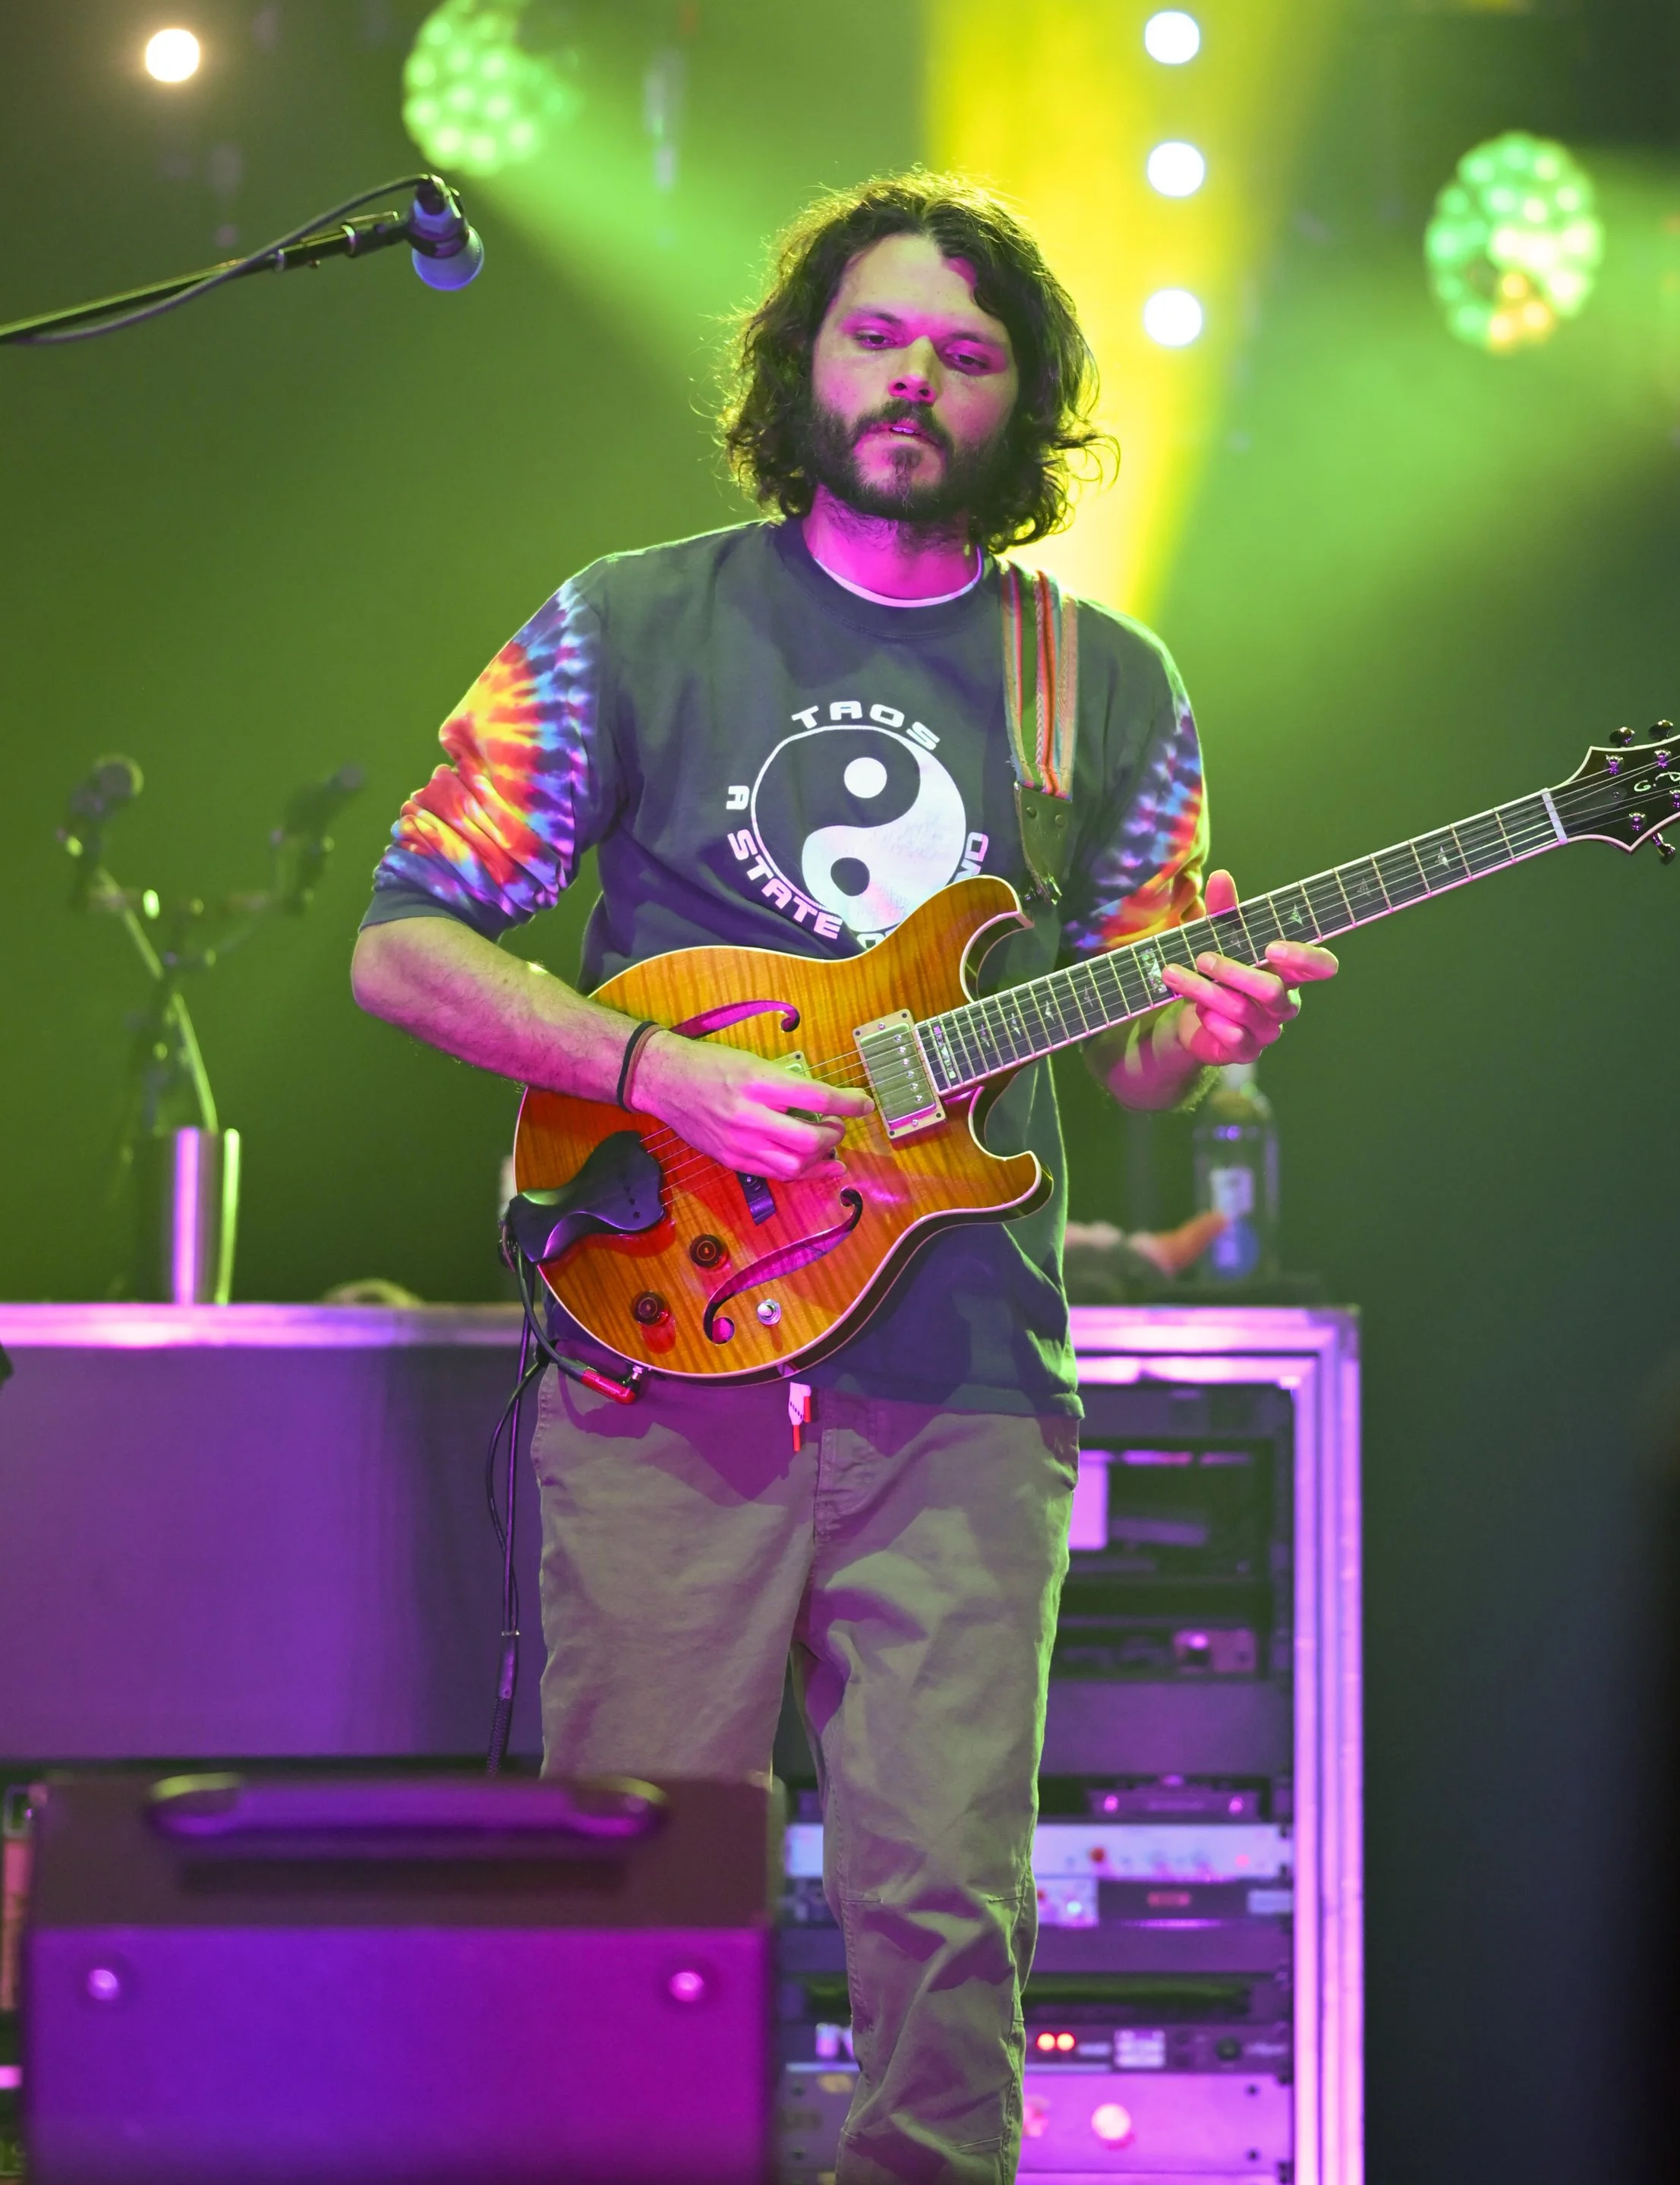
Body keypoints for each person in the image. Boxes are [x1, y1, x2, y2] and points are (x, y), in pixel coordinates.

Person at [351, 172, 1336, 2183]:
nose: (912, 380)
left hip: (963, 1377)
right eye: (876, 336)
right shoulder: (630, 623)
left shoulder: (1102, 681)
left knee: (947, 1922)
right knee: (636, 1898)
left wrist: (1205, 1026)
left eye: (965, 356)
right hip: (665, 1349)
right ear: (800, 360)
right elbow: (403, 945)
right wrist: (655, 1071)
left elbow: (1137, 1043)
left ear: (1021, 404)